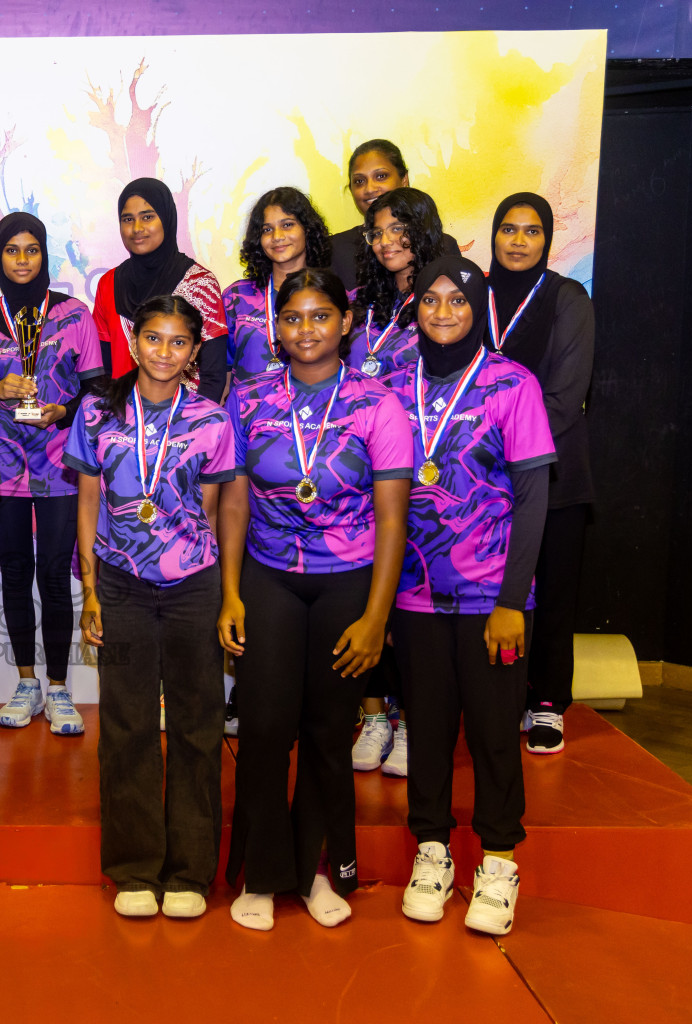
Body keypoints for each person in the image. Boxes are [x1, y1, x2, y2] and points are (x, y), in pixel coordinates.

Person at [221, 268, 412, 931]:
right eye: (293, 318)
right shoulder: (246, 399)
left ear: (346, 323)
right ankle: (263, 873)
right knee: (267, 730)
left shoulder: (378, 404)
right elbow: (236, 501)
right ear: (276, 328)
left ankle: (317, 870)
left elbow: (393, 519)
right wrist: (230, 594)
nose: (307, 329)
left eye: (320, 316)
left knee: (328, 734)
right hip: (268, 576)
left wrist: (375, 616)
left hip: (348, 580)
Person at [387, 255, 555, 937]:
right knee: (425, 731)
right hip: (416, 598)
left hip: (493, 599)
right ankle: (431, 852)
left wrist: (513, 599)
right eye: (430, 299)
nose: (443, 311)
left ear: (478, 307)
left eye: (458, 300)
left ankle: (498, 860)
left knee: (491, 734)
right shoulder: (393, 385)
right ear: (415, 308)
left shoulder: (513, 384)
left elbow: (534, 494)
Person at [65, 295, 238, 919]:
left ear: (194, 352)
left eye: (178, 342)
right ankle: (134, 869)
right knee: (128, 725)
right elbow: (88, 503)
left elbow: (216, 513)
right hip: (121, 584)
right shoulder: (96, 412)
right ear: (133, 342)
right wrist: (89, 589)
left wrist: (220, 590)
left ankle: (190, 872)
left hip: (193, 585)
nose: (164, 351)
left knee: (197, 725)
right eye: (153, 339)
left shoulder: (214, 420)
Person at [0, 213, 105, 734]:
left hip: (62, 465)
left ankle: (61, 688)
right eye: (12, 251)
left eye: (31, 250)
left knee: (53, 575)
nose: (22, 260)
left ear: (44, 255)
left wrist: (62, 410)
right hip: (3, 469)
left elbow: (97, 388)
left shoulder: (73, 315)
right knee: (17, 573)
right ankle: (27, 682)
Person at [484, 192, 596, 755]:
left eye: (531, 231)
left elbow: (567, 394)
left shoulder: (566, 298)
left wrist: (504, 451)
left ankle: (547, 701)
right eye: (508, 229)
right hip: (478, 485)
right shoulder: (473, 297)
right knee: (497, 593)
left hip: (551, 475)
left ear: (547, 239)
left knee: (552, 590)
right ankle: (499, 694)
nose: (519, 241)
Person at [347, 186, 450, 777]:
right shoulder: (364, 302)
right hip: (354, 471)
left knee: (411, 600)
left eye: (397, 230)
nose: (386, 242)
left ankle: (411, 721)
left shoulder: (443, 299)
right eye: (376, 232)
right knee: (365, 594)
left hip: (419, 467)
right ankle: (375, 715)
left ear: (422, 230)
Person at [92, 177, 228, 400]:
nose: (137, 228)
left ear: (166, 218)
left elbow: (213, 375)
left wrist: (197, 424)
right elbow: (103, 367)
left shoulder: (200, 284)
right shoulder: (109, 282)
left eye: (147, 217)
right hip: (123, 422)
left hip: (183, 422)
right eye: (128, 219)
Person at [221, 187, 333, 383]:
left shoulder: (332, 295)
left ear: (307, 230)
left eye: (288, 225)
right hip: (248, 411)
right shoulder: (236, 298)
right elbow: (223, 371)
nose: (277, 236)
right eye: (267, 229)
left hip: (314, 410)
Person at [329, 140, 460, 291]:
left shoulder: (443, 245)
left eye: (381, 176)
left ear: (404, 179)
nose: (370, 188)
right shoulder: (335, 249)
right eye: (359, 181)